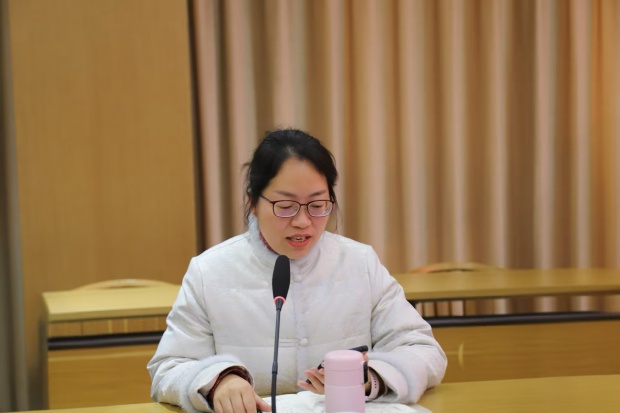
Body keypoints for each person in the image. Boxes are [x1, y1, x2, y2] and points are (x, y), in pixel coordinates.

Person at [147, 128, 447, 413]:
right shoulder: (210, 271)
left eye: (317, 205)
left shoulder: (360, 262)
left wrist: (370, 377)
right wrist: (218, 381)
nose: (303, 222)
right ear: (254, 203)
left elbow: (421, 349)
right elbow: (168, 368)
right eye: (285, 206)